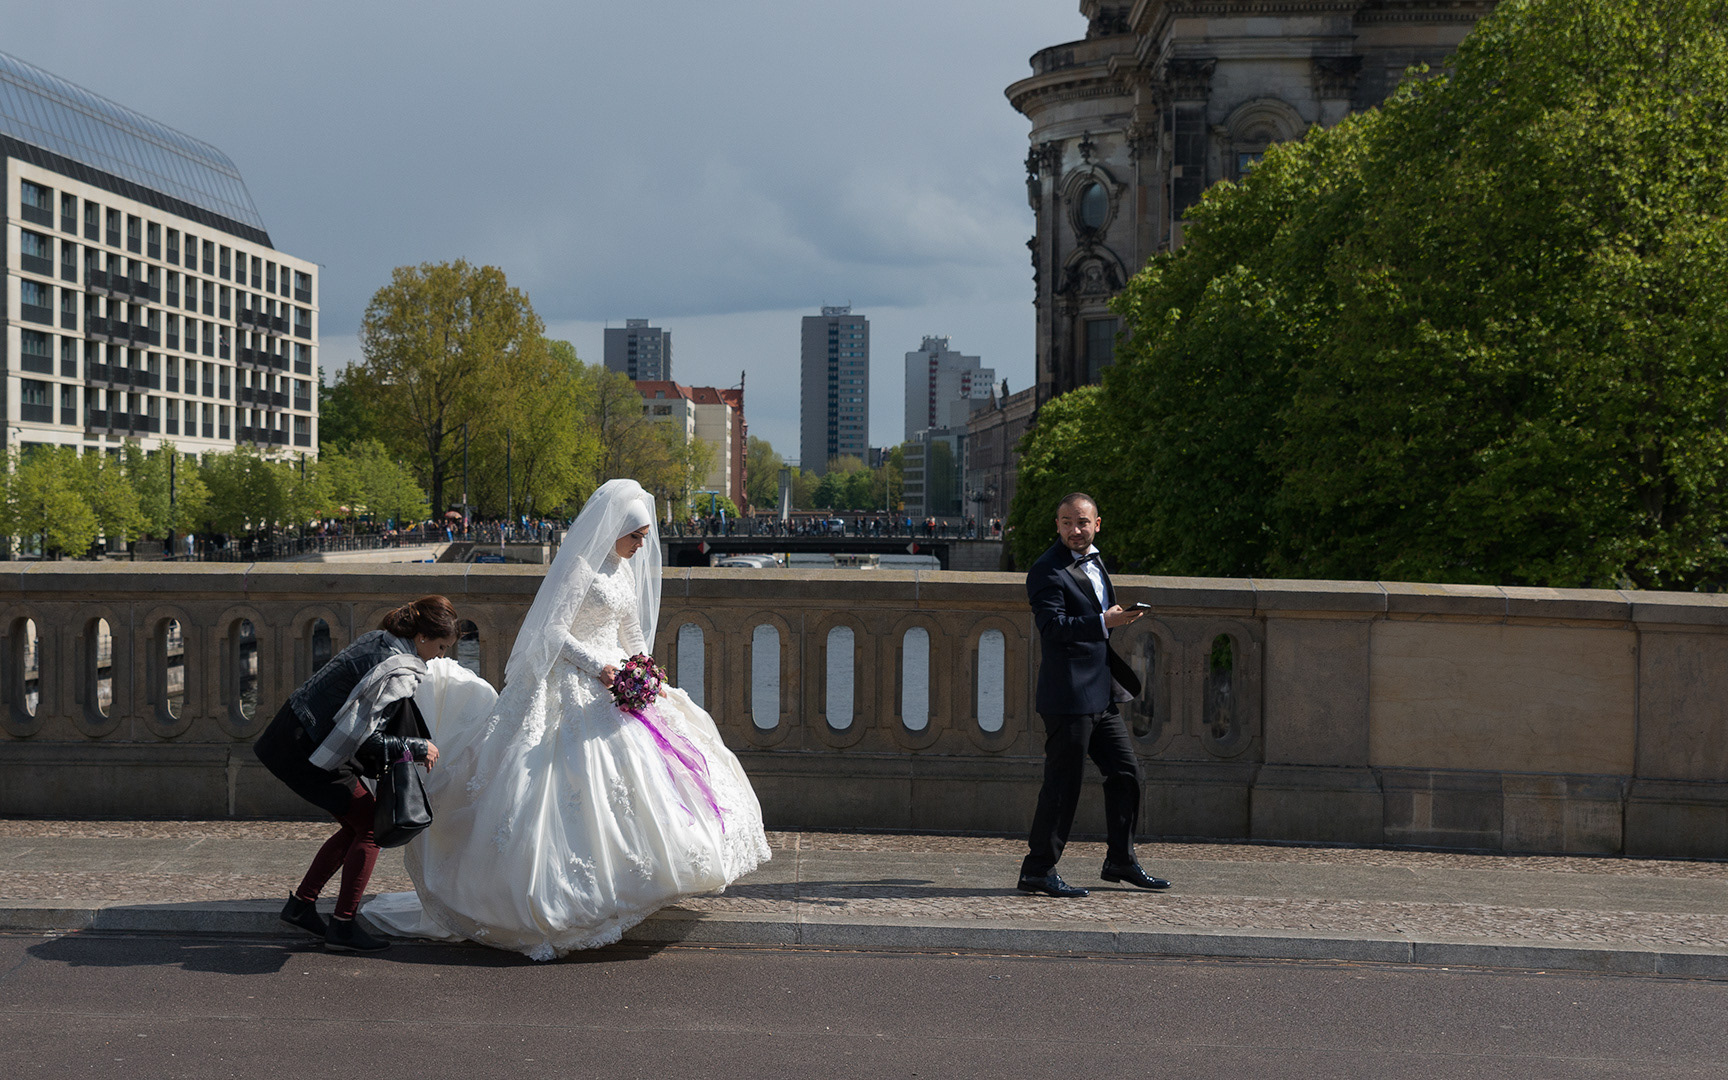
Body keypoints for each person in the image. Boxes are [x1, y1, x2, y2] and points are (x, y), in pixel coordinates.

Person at [364, 479, 771, 960]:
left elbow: (631, 629)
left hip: (616, 678)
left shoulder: (623, 569)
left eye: (644, 537)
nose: (642, 545)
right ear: (615, 527)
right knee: (555, 784)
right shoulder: (580, 567)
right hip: (573, 679)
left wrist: (644, 670)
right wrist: (601, 668)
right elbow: (553, 631)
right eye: (635, 536)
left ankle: (640, 880)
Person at [253, 596, 458, 951]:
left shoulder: (378, 639)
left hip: (293, 731)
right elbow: (368, 739)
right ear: (422, 637)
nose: (442, 656)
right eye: (441, 647)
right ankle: (343, 924)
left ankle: (302, 905)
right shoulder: (397, 671)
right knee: (369, 827)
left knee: (356, 822)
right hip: (310, 750)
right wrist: (417, 747)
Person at [1017, 493, 1169, 898]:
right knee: (1062, 784)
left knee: (1126, 773)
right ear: (1057, 525)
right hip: (1068, 694)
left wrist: (1109, 618)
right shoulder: (1046, 571)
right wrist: (1104, 620)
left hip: (1099, 692)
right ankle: (1038, 869)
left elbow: (1091, 616)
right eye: (1066, 522)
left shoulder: (1096, 559)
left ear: (1096, 524)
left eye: (1081, 522)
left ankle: (1120, 859)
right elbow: (1053, 628)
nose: (1074, 530)